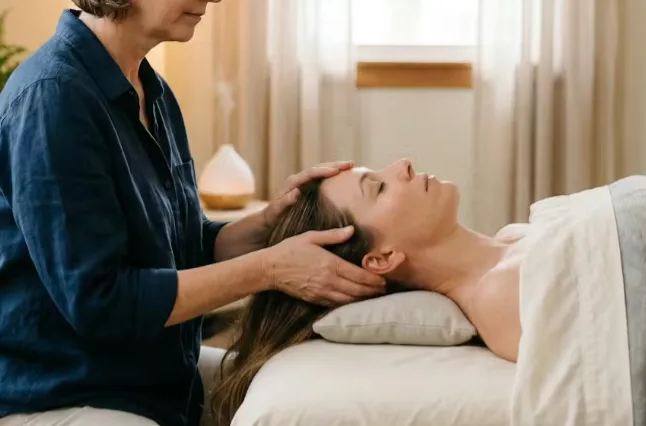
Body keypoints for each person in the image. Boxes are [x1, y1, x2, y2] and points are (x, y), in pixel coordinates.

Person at [0, 2, 386, 426]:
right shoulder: (53, 100)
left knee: (305, 395)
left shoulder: (151, 91)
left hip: (140, 382)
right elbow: (101, 303)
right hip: (46, 396)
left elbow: (177, 247)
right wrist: (270, 269)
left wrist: (266, 226)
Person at [211, 158, 529, 424]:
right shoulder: (502, 295)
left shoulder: (512, 240)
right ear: (382, 259)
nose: (403, 165)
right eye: (378, 188)